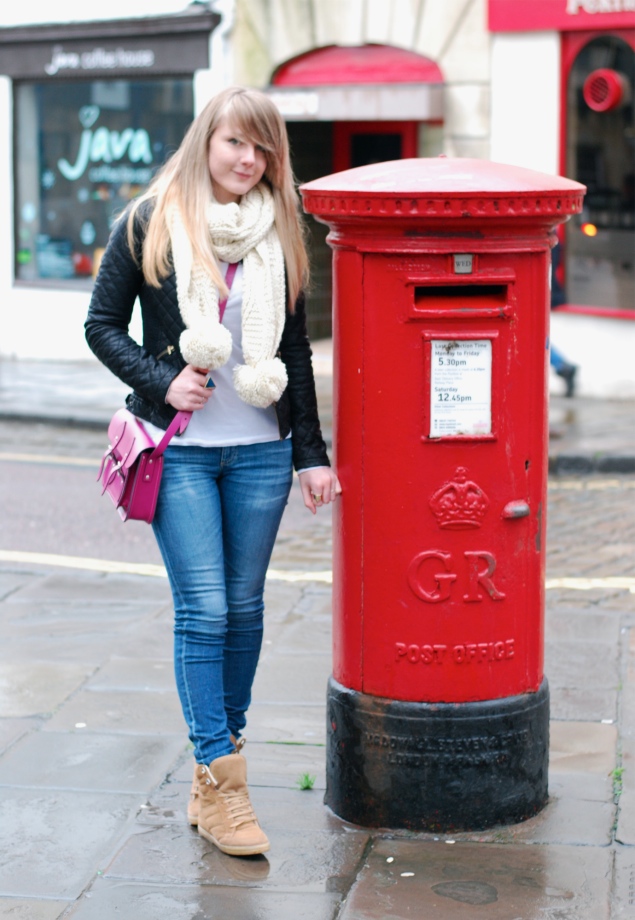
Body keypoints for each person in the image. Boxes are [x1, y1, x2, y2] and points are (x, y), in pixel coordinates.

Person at [85, 86, 341, 858]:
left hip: (260, 448)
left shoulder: (280, 231)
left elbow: (292, 349)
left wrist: (311, 453)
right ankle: (225, 782)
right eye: (236, 142)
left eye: (262, 149)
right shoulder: (150, 221)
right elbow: (100, 324)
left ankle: (209, 766)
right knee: (204, 612)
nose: (247, 160)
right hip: (181, 452)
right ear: (207, 140)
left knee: (244, 609)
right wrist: (161, 379)